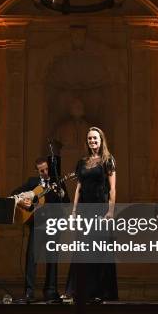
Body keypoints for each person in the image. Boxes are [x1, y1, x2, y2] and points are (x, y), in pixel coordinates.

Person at [66, 126, 118, 303]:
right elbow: (78, 188)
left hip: (101, 210)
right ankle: (81, 291)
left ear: (101, 140)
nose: (92, 141)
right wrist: (73, 212)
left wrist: (111, 211)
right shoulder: (82, 162)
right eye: (89, 139)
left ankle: (100, 292)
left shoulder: (108, 160)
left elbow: (112, 188)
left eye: (95, 138)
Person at [11, 157, 69, 304]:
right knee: (31, 257)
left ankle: (51, 291)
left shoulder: (57, 182)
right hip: (37, 224)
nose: (44, 172)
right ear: (36, 171)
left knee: (52, 258)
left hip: (54, 224)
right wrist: (24, 202)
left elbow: (67, 202)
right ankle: (29, 292)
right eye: (41, 170)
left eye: (46, 169)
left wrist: (61, 194)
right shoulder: (32, 183)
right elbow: (14, 193)